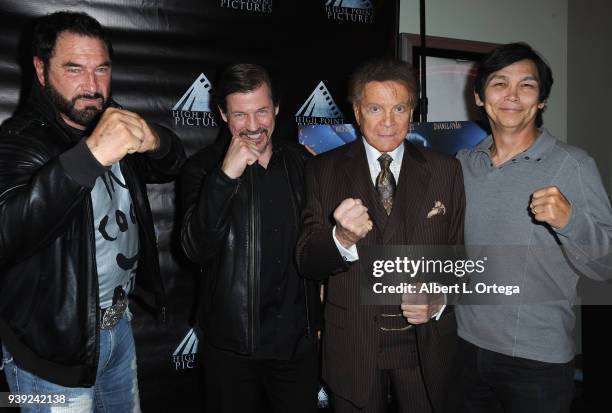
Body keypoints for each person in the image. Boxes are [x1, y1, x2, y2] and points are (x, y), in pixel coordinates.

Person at [0, 11, 185, 412]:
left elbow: (171, 162)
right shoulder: (20, 140)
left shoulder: (110, 118)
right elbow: (6, 232)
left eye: (101, 69)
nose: (92, 85)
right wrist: (90, 157)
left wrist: (153, 138)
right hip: (52, 350)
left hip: (117, 328)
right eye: (74, 69)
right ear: (41, 70)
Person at [296, 57, 465, 413]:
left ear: (412, 111)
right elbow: (308, 262)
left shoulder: (445, 170)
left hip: (425, 349)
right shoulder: (321, 171)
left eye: (399, 108)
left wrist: (439, 302)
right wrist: (340, 238)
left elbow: (458, 259)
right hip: (353, 345)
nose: (388, 122)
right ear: (357, 112)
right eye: (375, 108)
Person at [454, 42, 612, 413]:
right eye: (499, 83)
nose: (512, 95)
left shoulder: (573, 164)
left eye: (526, 85)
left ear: (540, 100)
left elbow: (606, 264)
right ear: (479, 97)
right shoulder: (463, 164)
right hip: (464, 347)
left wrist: (570, 221)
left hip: (535, 361)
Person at [180, 63, 321, 413]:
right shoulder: (201, 169)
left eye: (261, 111)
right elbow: (195, 250)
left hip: (295, 347)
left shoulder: (303, 163)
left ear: (276, 108)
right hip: (231, 350)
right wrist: (225, 177)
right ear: (223, 115)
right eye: (240, 115)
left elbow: (321, 245)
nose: (254, 126)